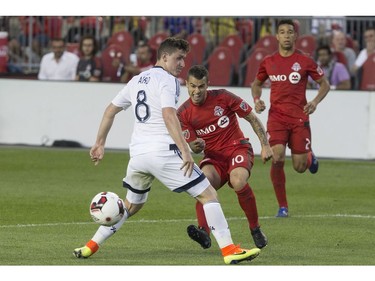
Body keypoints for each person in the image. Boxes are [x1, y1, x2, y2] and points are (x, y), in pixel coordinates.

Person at [73, 37, 261, 265]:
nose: (182, 63)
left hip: (138, 156)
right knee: (208, 194)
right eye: (178, 58)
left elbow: (110, 110)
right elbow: (169, 115)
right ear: (164, 57)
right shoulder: (168, 80)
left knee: (131, 206)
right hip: (162, 152)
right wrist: (185, 150)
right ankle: (230, 250)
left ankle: (90, 246)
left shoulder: (136, 80)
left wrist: (99, 143)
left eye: (184, 58)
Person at [177, 65, 273, 250]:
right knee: (202, 184)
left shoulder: (224, 96)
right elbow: (193, 146)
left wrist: (265, 144)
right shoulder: (182, 113)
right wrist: (195, 145)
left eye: (201, 86)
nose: (196, 91)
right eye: (192, 86)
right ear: (187, 85)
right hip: (214, 158)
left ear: (207, 85)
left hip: (238, 149)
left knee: (238, 181)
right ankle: (204, 232)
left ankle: (255, 229)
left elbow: (251, 118)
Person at [251, 19, 330, 218]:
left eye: (290, 32)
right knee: (276, 157)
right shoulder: (269, 61)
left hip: (299, 119)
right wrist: (257, 99)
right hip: (276, 118)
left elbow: (324, 84)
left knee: (300, 167)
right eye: (282, 32)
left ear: (296, 36)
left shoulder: (305, 61)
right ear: (277, 37)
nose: (286, 35)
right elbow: (256, 84)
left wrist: (314, 102)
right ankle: (283, 207)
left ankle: (309, 156)